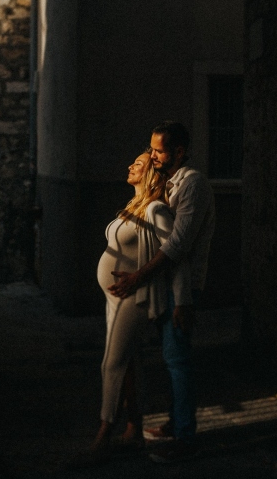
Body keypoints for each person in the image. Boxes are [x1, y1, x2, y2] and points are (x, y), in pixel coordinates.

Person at [109, 121, 215, 463]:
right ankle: (175, 423)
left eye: (159, 150)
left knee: (177, 359)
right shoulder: (167, 184)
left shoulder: (193, 184)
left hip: (181, 288)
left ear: (179, 152)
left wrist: (140, 279)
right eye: (151, 148)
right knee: (171, 358)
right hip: (165, 285)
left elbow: (178, 247)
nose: (152, 155)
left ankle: (186, 439)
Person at [81, 151, 190, 465]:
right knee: (130, 363)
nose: (130, 165)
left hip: (135, 297)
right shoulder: (133, 207)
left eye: (138, 164)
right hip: (114, 297)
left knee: (111, 363)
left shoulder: (156, 210)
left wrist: (182, 300)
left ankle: (104, 433)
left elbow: (175, 254)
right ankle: (134, 430)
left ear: (151, 174)